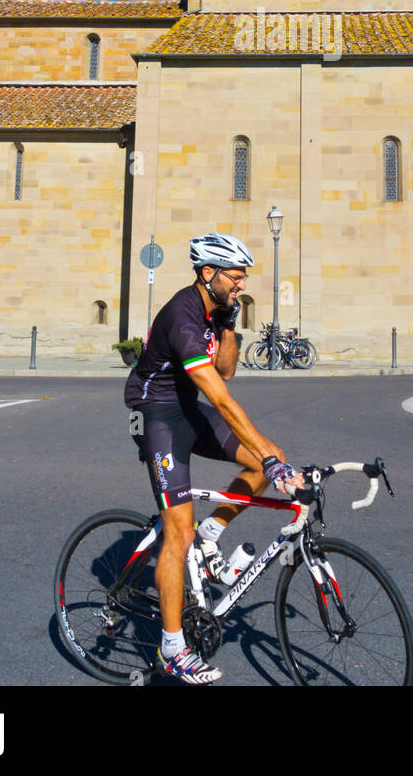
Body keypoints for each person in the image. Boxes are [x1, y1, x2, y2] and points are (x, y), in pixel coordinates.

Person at [124, 232, 302, 685]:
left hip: (186, 406)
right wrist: (270, 459)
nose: (242, 283)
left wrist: (227, 322)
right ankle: (171, 648)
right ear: (209, 274)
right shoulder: (182, 316)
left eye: (244, 277)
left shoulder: (214, 310)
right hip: (157, 413)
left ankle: (213, 530)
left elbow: (226, 369)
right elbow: (222, 398)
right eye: (236, 277)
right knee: (177, 533)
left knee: (267, 457)